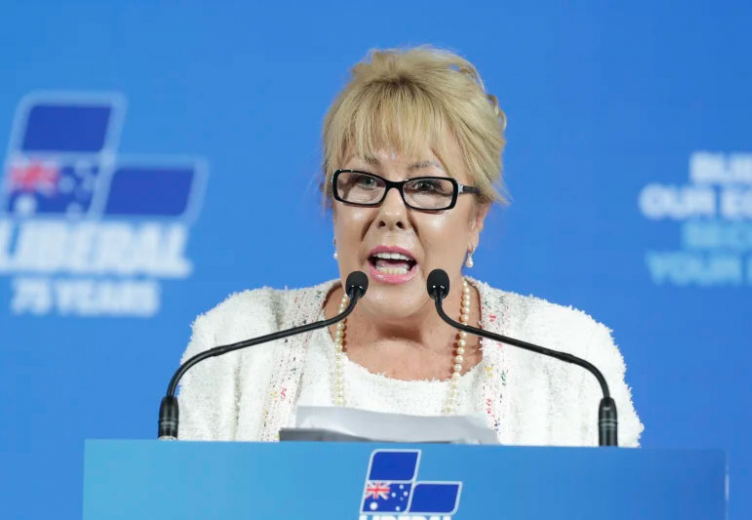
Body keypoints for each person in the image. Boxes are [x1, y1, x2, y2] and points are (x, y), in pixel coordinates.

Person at [177, 46, 644, 446]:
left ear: (476, 218)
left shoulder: (569, 362)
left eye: (427, 186)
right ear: (331, 204)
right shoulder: (235, 347)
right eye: (364, 181)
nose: (392, 212)